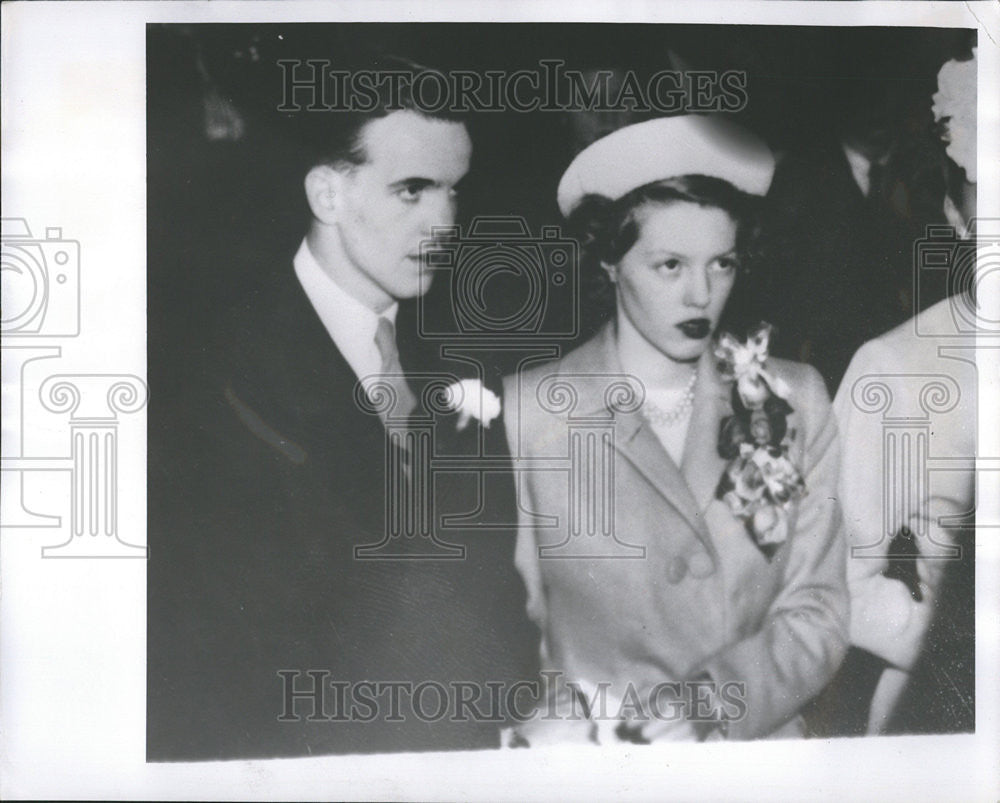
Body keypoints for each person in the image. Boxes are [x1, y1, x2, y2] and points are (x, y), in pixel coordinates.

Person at [147, 56, 539, 760]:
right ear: (328, 194)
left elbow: (488, 582)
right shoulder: (215, 379)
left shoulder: (460, 362)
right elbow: (212, 659)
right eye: (412, 190)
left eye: (454, 191)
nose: (445, 220)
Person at [503, 115, 848, 743]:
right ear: (610, 261)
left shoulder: (791, 399)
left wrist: (713, 701)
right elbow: (512, 626)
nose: (700, 294)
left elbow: (817, 614)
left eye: (722, 264)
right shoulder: (530, 412)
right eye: (669, 266)